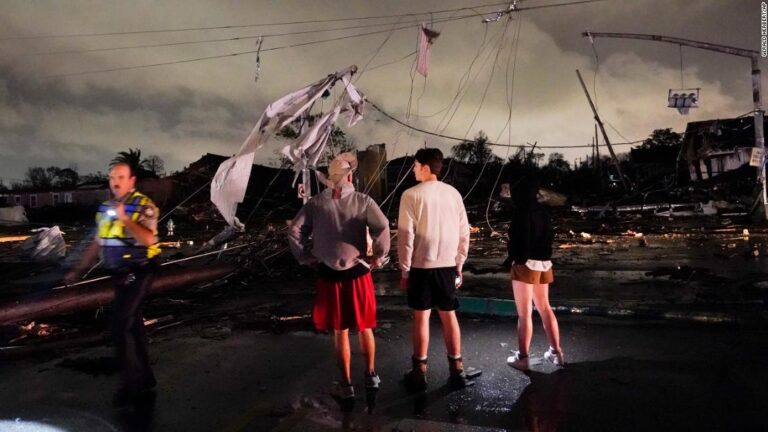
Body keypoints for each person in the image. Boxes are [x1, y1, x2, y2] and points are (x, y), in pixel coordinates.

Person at [287, 152, 390, 407]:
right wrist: (378, 255)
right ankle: (371, 376)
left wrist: (304, 257)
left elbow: (295, 229)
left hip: (328, 274)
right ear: (350, 176)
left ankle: (346, 385)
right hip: (358, 272)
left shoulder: (315, 203)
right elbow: (383, 226)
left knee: (340, 330)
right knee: (365, 326)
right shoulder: (362, 200)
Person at [65, 160, 162, 405]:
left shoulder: (144, 206)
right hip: (118, 274)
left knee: (120, 325)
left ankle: (131, 385)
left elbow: (150, 239)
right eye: (111, 177)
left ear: (131, 181)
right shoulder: (105, 208)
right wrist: (78, 270)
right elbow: (97, 242)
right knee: (133, 326)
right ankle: (146, 379)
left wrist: (126, 220)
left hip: (140, 271)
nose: (115, 181)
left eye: (120, 177)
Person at [397, 148, 473, 391]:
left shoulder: (410, 195)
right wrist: (459, 264)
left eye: (416, 165)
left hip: (421, 266)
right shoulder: (454, 194)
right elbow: (464, 233)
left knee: (421, 317)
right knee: (449, 315)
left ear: (426, 167)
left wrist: (405, 269)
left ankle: (419, 372)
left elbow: (406, 236)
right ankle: (457, 369)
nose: (413, 169)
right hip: (448, 265)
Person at [506, 175, 565, 369]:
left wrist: (515, 258)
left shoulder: (521, 212)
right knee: (545, 307)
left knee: (524, 315)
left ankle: (523, 357)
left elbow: (520, 241)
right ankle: (556, 353)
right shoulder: (543, 211)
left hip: (525, 265)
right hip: (544, 263)